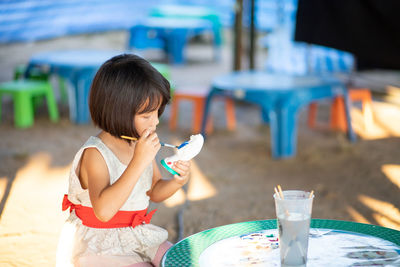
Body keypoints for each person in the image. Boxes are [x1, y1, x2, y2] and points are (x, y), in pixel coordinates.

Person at [56, 54, 191, 267]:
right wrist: (139, 161)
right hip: (99, 243)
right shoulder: (95, 154)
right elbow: (104, 212)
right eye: (146, 116)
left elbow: (154, 190)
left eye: (157, 112)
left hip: (135, 234)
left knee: (178, 261)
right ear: (118, 111)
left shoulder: (139, 144)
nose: (155, 122)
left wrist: (177, 182)